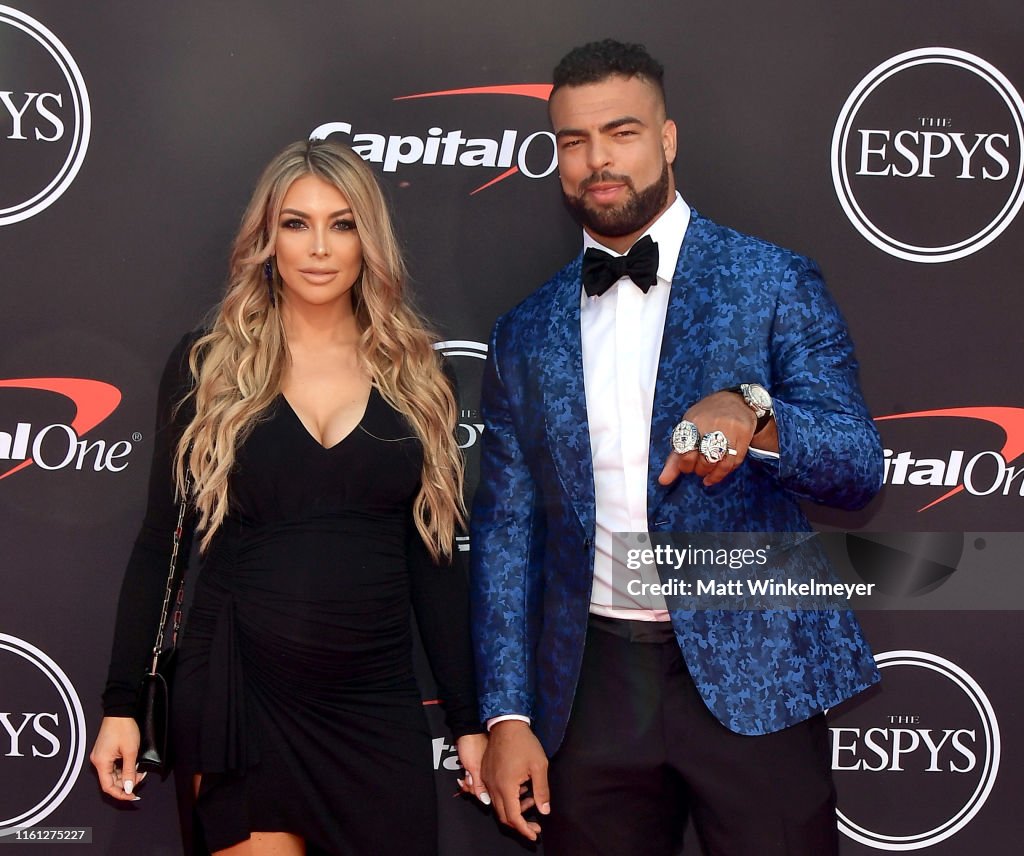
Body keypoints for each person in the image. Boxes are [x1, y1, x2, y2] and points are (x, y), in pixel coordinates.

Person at [471, 39, 882, 856]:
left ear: (667, 138)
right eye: (574, 141)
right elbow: (508, 533)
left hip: (754, 669)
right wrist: (507, 714)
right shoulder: (525, 328)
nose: (597, 161)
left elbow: (857, 464)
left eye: (621, 133)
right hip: (591, 688)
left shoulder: (772, 281)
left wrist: (758, 414)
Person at [91, 138, 487, 856]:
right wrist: (123, 704)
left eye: (342, 223)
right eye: (296, 223)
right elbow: (162, 544)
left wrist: (468, 720)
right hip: (241, 689)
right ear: (267, 237)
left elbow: (434, 561)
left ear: (369, 238)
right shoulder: (208, 365)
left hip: (373, 702)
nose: (319, 247)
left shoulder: (418, 374)